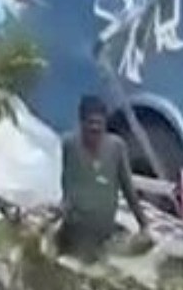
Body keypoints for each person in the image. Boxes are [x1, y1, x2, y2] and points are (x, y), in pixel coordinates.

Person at [56, 95, 150, 261]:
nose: (95, 129)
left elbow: (128, 189)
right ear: (81, 123)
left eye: (99, 124)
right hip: (76, 225)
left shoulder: (116, 147)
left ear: (105, 124)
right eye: (90, 123)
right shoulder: (70, 145)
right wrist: (63, 206)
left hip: (103, 226)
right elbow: (68, 183)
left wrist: (144, 224)